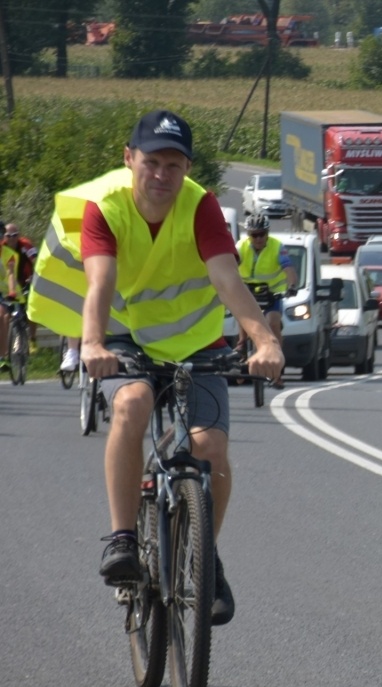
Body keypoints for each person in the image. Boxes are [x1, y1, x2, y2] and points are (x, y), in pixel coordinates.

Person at [28, 109, 284, 625]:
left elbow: (228, 281)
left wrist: (263, 340)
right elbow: (99, 283)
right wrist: (94, 343)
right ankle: (123, 540)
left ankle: (203, 557)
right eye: (152, 162)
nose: (162, 175)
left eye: (174, 164)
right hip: (125, 334)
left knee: (211, 447)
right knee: (133, 402)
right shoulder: (107, 207)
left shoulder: (201, 207)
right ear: (129, 159)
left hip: (194, 339)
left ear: (186, 168)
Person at [237, 212, 298, 343]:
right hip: (248, 291)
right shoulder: (241, 246)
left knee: (272, 322)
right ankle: (241, 346)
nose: (258, 238)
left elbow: (289, 269)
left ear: (267, 233)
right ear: (248, 235)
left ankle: (278, 358)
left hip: (272, 293)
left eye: (262, 234)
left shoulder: (277, 246)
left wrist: (292, 286)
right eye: (254, 235)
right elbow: (230, 265)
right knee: (244, 317)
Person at [0, 222, 38, 357]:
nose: (12, 238)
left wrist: (35, 277)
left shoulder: (25, 245)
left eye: (15, 235)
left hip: (25, 280)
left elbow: (36, 261)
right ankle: (13, 341)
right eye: (8, 235)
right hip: (9, 284)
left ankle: (32, 339)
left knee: (31, 309)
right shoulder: (2, 247)